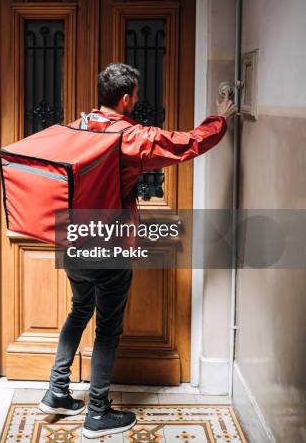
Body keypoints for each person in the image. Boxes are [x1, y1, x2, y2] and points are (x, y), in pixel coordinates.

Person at [39, 63, 237, 438]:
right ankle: (97, 413)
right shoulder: (131, 138)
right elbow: (187, 143)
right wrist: (220, 118)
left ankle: (57, 392)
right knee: (108, 328)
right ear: (127, 97)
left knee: (79, 310)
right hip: (109, 245)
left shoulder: (77, 127)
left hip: (74, 240)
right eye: (136, 94)